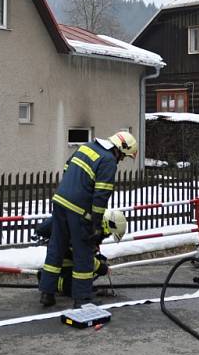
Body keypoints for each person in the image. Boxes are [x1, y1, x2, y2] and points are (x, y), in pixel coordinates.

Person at [38, 131, 136, 308]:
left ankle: (47, 294)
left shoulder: (87, 147)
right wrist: (96, 225)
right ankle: (82, 299)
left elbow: (68, 168)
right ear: (120, 150)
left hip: (60, 201)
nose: (122, 160)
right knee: (83, 252)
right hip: (78, 208)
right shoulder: (108, 161)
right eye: (124, 156)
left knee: (56, 247)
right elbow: (101, 195)